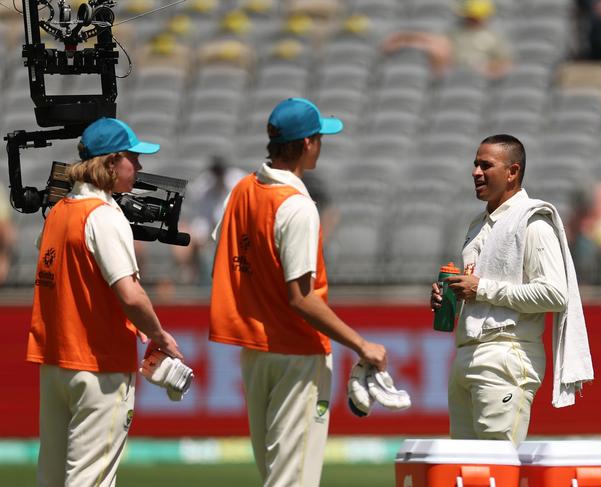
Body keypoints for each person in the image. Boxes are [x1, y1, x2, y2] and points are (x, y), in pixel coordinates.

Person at [209, 97, 387, 486]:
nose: (321, 144)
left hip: (255, 351)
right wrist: (361, 344)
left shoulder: (240, 189)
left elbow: (228, 252)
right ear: (307, 144)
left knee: (274, 472)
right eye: (319, 137)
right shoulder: (297, 206)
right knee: (293, 479)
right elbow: (301, 297)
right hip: (296, 352)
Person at [27, 117, 184, 487]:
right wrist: (159, 335)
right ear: (112, 163)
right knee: (91, 481)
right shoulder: (104, 216)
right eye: (133, 157)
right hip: (98, 364)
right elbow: (129, 293)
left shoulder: (60, 212)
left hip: (55, 363)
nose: (140, 166)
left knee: (50, 477)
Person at [430, 134, 593, 446]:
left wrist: (480, 288)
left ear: (512, 172)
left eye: (486, 165)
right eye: (475, 164)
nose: (476, 171)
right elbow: (480, 292)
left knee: (496, 466)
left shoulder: (534, 221)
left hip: (508, 352)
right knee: (465, 467)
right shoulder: (477, 224)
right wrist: (451, 297)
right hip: (467, 352)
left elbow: (555, 294)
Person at [382, 0, 513, 79]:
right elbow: (439, 44)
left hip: (478, 77)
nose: (467, 19)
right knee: (435, 45)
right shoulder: (455, 32)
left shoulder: (493, 37)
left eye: (471, 17)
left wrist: (485, 68)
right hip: (451, 71)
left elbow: (505, 63)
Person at [173, 155, 246, 285]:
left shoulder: (238, 180)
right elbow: (201, 218)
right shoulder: (204, 185)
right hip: (210, 232)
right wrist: (202, 238)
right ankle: (186, 276)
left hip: (235, 231)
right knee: (183, 234)